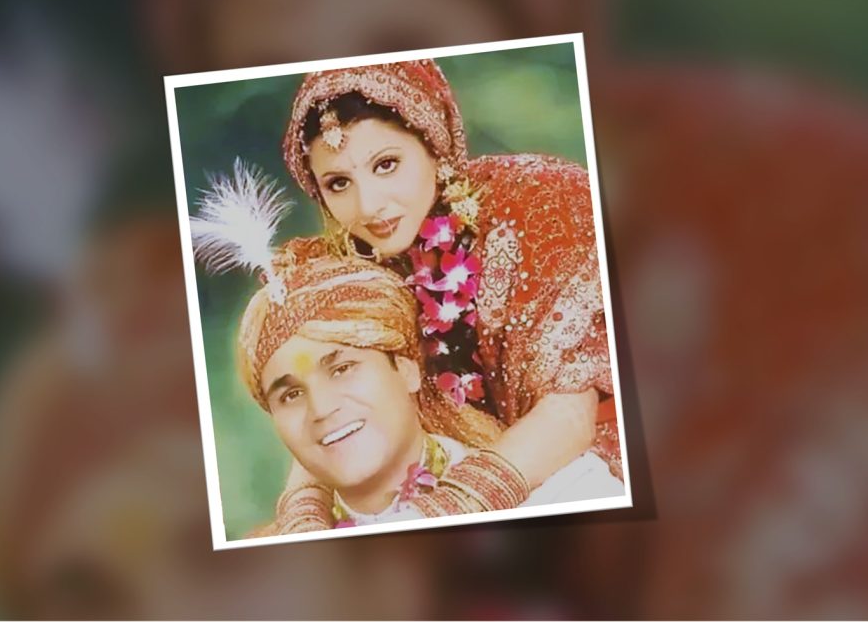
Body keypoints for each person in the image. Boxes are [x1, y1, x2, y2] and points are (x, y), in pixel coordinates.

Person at [190, 167, 622, 535]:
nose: (321, 409)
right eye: (290, 394)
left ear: (408, 370)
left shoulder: (569, 494)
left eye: (342, 368)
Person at [280, 59, 622, 490]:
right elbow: (327, 429)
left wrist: (444, 510)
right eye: (338, 184)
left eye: (386, 164)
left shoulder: (535, 204)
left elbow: (570, 418)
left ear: (434, 147)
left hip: (592, 468)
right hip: (449, 486)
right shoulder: (340, 274)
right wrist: (299, 515)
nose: (368, 206)